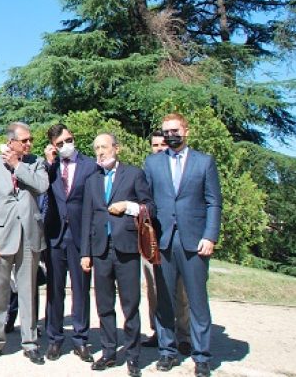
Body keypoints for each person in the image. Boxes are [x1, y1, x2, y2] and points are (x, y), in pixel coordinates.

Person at [144, 113, 222, 377]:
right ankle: (167, 351)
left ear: (186, 131)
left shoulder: (204, 162)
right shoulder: (152, 163)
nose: (170, 135)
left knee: (197, 301)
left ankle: (201, 356)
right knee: (164, 300)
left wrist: (210, 236)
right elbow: (149, 201)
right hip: (163, 241)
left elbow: (214, 202)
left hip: (195, 242)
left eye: (175, 130)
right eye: (166, 131)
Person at [81, 133, 154, 377]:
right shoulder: (92, 180)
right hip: (100, 249)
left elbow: (150, 207)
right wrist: (85, 253)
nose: (100, 152)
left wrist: (128, 207)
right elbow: (87, 218)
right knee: (104, 305)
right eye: (96, 148)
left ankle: (133, 357)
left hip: (126, 248)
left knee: (130, 305)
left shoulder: (134, 174)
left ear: (116, 148)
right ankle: (109, 352)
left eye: (104, 147)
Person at [0, 121, 48, 365]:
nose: (30, 144)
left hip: (29, 236)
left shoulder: (36, 162)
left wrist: (17, 165)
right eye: (25, 140)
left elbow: (42, 186)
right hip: (1, 238)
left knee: (28, 292)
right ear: (11, 141)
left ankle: (30, 342)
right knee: (0, 293)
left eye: (30, 140)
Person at [42, 123, 97, 362]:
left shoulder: (90, 166)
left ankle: (81, 339)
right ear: (53, 147)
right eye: (59, 144)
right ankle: (54, 339)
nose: (65, 146)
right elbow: (42, 191)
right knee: (54, 291)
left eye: (68, 140)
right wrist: (49, 162)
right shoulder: (49, 168)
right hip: (55, 234)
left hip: (79, 236)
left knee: (80, 289)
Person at [142, 131, 191, 355]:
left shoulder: (177, 169)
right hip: (153, 240)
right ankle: (159, 331)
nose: (159, 148)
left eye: (162, 144)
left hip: (178, 238)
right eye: (155, 145)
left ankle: (184, 335)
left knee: (181, 291)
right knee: (154, 289)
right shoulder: (149, 170)